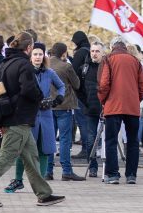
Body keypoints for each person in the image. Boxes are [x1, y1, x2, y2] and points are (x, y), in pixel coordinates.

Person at [0, 32, 65, 208]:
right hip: (19, 119)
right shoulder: (24, 65)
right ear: (29, 48)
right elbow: (29, 90)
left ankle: (44, 194)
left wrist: (3, 113)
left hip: (11, 117)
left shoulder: (6, 62)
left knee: (31, 157)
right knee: (6, 157)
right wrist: (40, 97)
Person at [5, 42, 64, 190]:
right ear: (30, 56)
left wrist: (59, 98)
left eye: (40, 54)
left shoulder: (49, 72)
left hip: (46, 116)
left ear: (44, 56)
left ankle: (40, 182)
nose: (38, 57)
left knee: (44, 149)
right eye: (35, 54)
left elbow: (62, 86)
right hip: (28, 116)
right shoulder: (25, 71)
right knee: (23, 150)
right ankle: (18, 179)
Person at [98, 36, 143, 185]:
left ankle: (113, 174)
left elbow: (104, 84)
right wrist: (136, 98)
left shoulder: (108, 59)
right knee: (133, 141)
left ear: (112, 46)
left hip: (113, 106)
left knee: (111, 141)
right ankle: (131, 175)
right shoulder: (135, 61)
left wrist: (103, 101)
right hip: (132, 106)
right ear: (125, 46)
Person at [49, 42, 85, 181]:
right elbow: (76, 84)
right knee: (65, 140)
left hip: (48, 107)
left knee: (49, 140)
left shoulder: (45, 65)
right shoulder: (66, 66)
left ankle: (48, 170)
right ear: (64, 53)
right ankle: (66, 171)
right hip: (64, 106)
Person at [82, 41, 104, 178]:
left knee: (108, 139)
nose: (94, 54)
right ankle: (92, 166)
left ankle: (109, 166)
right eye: (92, 51)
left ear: (102, 53)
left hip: (106, 108)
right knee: (90, 139)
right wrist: (85, 102)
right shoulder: (85, 68)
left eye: (97, 51)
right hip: (90, 108)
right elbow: (79, 87)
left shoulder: (107, 66)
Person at [70, 31, 92, 157]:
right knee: (91, 122)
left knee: (82, 122)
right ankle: (93, 148)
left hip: (80, 93)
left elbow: (73, 73)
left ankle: (85, 149)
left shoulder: (80, 53)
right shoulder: (92, 51)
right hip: (92, 92)